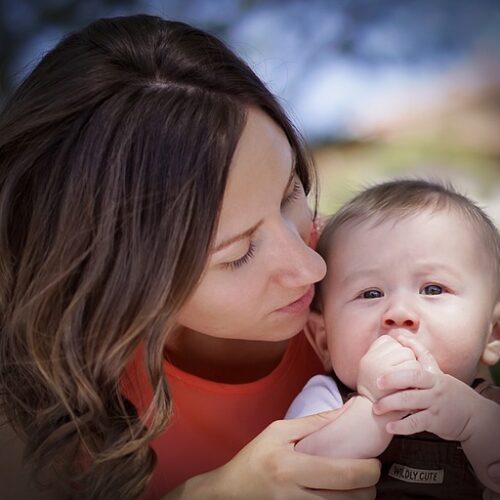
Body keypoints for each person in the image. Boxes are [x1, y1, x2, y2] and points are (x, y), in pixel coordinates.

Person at [0, 14, 383, 500]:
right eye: (238, 254)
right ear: (117, 278)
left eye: (290, 193)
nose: (313, 267)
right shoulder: (33, 391)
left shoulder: (380, 277)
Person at [286, 179, 500, 498]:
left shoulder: (490, 410)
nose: (399, 312)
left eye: (432, 289)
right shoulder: (325, 401)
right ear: (324, 340)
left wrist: (474, 424)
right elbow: (292, 474)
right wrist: (371, 407)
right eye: (371, 293)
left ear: (493, 333)